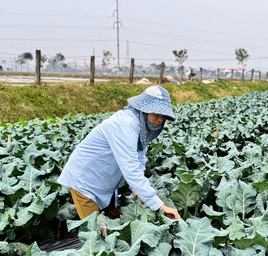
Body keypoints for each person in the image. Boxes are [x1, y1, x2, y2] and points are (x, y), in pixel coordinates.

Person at [58, 85, 181, 220]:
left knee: (116, 225)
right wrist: (159, 206)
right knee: (97, 233)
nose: (160, 120)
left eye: (164, 116)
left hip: (105, 183)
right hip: (85, 182)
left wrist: (139, 192)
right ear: (144, 109)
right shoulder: (125, 124)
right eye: (157, 114)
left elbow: (139, 158)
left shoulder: (142, 128)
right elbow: (130, 169)